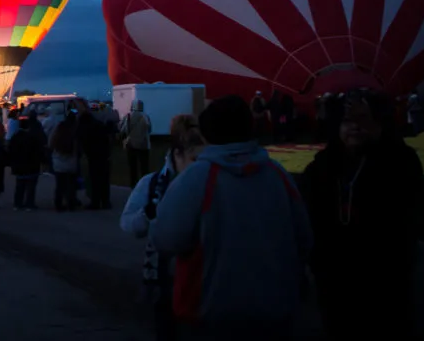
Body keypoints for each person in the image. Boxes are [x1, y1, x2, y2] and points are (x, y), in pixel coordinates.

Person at [149, 95, 312, 340]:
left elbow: (166, 238)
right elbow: (305, 239)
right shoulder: (278, 175)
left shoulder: (195, 178)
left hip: (209, 310)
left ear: (206, 134)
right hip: (274, 309)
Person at [301, 91, 424, 341]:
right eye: (347, 121)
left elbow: (410, 215)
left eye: (364, 120)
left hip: (385, 278)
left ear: (380, 123)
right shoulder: (322, 167)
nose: (355, 127)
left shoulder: (401, 162)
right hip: (335, 277)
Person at [120, 115, 207, 341]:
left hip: (205, 281)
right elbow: (128, 224)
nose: (201, 165)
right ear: (178, 154)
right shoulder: (151, 183)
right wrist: (147, 215)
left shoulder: (212, 181)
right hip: (164, 280)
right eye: (195, 159)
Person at [8, 115, 43, 211]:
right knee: (30, 186)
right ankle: (29, 204)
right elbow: (37, 151)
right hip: (31, 165)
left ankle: (17, 203)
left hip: (18, 166)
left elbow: (10, 151)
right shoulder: (32, 138)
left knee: (19, 185)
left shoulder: (14, 137)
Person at [121, 99, 153, 186]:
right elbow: (149, 129)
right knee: (144, 167)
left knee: (132, 167)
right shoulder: (145, 116)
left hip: (131, 145)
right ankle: (145, 185)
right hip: (144, 145)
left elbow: (124, 129)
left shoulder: (128, 116)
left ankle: (133, 185)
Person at [50, 118, 79, 212]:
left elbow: (51, 147)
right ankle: (71, 203)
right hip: (71, 164)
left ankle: (58, 203)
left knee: (60, 185)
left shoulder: (56, 138)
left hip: (58, 164)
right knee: (71, 185)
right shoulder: (72, 138)